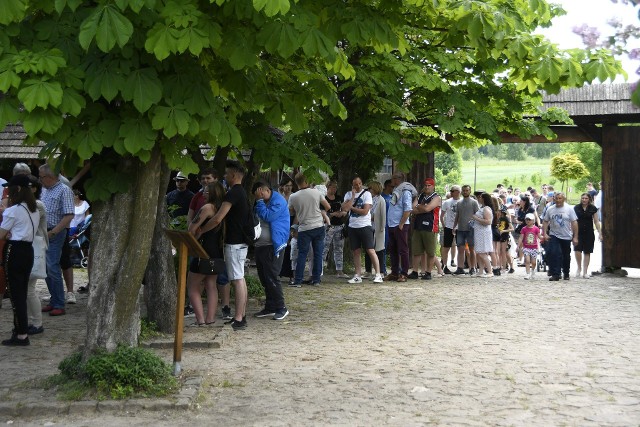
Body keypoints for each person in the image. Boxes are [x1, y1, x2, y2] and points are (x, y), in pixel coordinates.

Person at [197, 160, 250, 330]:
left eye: (227, 174)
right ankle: (242, 315)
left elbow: (218, 217)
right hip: (239, 242)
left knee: (237, 279)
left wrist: (202, 229)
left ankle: (239, 317)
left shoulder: (233, 193)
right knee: (239, 278)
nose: (225, 177)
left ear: (234, 175)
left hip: (234, 243)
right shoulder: (241, 192)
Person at [186, 168, 231, 320]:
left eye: (206, 191)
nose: (203, 192)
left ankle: (200, 319)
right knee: (211, 285)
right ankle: (210, 318)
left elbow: (192, 228)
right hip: (216, 250)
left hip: (202, 250)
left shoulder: (206, 208)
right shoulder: (222, 209)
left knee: (193, 286)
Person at [0, 175, 40, 346]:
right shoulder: (34, 209)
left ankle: (21, 333)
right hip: (28, 250)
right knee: (21, 291)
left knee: (16, 294)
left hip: (14, 250)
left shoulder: (13, 210)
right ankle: (20, 329)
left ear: (17, 189)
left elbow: (1, 234)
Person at [252, 181, 290, 320]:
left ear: (262, 190)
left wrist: (260, 201)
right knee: (264, 278)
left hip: (273, 245)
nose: (257, 197)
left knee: (272, 276)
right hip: (260, 245)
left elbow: (268, 216)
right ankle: (270, 307)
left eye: (258, 194)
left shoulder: (278, 201)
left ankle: (281, 307)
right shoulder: (262, 201)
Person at [39, 164, 74, 316]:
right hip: (43, 232)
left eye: (41, 177)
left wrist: (54, 231)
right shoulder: (45, 189)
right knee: (46, 268)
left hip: (55, 233)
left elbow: (69, 215)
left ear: (49, 177)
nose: (39, 180)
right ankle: (54, 300)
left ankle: (59, 303)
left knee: (52, 266)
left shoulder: (64, 190)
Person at [288, 173, 330, 287]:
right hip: (318, 226)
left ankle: (298, 281)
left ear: (297, 183)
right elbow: (328, 207)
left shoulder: (293, 197)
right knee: (318, 254)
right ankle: (316, 280)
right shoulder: (316, 192)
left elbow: (291, 211)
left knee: (302, 254)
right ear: (307, 180)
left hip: (304, 228)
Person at [342, 176, 383, 284]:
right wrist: (352, 197)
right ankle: (357, 275)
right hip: (352, 226)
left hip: (365, 226)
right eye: (356, 184)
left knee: (370, 250)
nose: (358, 186)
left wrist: (352, 208)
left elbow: (365, 211)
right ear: (352, 185)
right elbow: (344, 209)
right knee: (356, 251)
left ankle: (378, 274)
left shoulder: (367, 194)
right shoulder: (348, 194)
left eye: (360, 183)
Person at [25, 175, 48, 335]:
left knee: (29, 289)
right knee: (26, 289)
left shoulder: (37, 204)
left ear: (34, 188)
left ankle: (37, 323)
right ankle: (30, 321)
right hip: (29, 247)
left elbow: (27, 221)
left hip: (35, 248)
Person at [385, 172, 417, 282]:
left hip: (400, 225)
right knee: (393, 249)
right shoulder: (396, 190)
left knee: (403, 249)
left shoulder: (405, 191)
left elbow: (407, 209)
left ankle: (404, 273)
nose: (391, 180)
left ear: (398, 179)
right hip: (392, 224)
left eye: (393, 178)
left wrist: (401, 224)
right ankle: (394, 272)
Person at [541, 192, 579, 281]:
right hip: (554, 235)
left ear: (563, 199)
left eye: (560, 198)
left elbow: (574, 222)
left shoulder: (569, 209)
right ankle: (556, 274)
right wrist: (545, 233)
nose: (558, 200)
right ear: (553, 199)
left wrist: (575, 236)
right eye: (556, 198)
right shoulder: (550, 209)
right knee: (554, 253)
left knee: (565, 255)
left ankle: (566, 272)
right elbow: (545, 221)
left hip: (566, 236)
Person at [409, 178, 441, 280]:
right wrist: (422, 207)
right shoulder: (421, 196)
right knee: (417, 250)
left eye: (429, 185)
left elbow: (428, 208)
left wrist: (419, 207)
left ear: (433, 186)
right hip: (418, 226)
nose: (427, 187)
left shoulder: (436, 197)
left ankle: (428, 272)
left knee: (430, 251)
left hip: (430, 227)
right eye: (426, 185)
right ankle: (414, 271)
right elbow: (413, 209)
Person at [322, 181, 348, 279]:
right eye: (333, 187)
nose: (334, 189)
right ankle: (319, 270)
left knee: (339, 249)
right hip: (328, 226)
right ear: (328, 187)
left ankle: (339, 270)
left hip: (339, 226)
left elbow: (344, 209)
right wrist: (332, 214)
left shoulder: (339, 198)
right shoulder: (324, 198)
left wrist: (343, 213)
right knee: (324, 248)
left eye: (335, 187)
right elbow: (322, 212)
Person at [574, 192, 602, 279]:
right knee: (577, 250)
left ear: (589, 199)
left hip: (589, 232)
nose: (584, 200)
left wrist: (600, 232)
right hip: (578, 232)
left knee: (587, 251)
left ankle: (585, 271)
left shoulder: (593, 208)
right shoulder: (576, 208)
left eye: (586, 198)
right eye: (583, 198)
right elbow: (573, 220)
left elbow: (596, 221)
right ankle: (579, 267)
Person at [452, 185, 479, 275]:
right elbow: (457, 215)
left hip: (471, 229)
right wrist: (454, 226)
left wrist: (475, 224)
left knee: (471, 249)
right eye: (463, 190)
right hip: (461, 228)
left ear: (469, 191)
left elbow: (478, 215)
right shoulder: (459, 203)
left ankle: (472, 267)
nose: (465, 192)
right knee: (460, 249)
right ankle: (460, 267)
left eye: (467, 190)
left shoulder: (474, 202)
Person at [364, 181, 386, 278]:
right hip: (368, 227)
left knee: (379, 250)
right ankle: (368, 271)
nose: (369, 190)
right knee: (368, 249)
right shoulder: (368, 199)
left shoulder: (381, 200)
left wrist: (382, 227)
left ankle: (381, 271)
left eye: (370, 188)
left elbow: (383, 215)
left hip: (377, 228)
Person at [470, 193, 494, 277]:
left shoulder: (486, 209)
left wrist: (475, 218)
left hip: (483, 233)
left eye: (480, 197)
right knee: (479, 252)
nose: (479, 198)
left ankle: (490, 271)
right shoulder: (482, 208)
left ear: (483, 199)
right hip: (479, 232)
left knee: (482, 253)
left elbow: (488, 221)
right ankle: (480, 271)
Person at [440, 185, 461, 274]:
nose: (451, 192)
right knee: (446, 247)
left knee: (460, 247)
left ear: (458, 192)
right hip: (449, 226)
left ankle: (460, 266)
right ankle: (444, 265)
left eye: (453, 191)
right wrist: (444, 226)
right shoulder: (447, 202)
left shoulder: (462, 202)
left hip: (460, 227)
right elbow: (442, 215)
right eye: (451, 191)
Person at [278, 176, 295, 284]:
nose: (288, 188)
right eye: (286, 186)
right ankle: (280, 271)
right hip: (281, 222)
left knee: (290, 248)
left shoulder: (293, 196)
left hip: (291, 220)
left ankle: (291, 274)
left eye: (290, 186)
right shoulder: (280, 196)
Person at [518, 213, 541, 280]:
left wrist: (544, 237)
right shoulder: (524, 229)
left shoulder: (536, 229)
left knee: (533, 262)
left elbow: (539, 236)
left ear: (533, 221)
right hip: (526, 247)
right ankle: (527, 273)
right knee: (527, 261)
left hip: (534, 248)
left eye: (529, 220)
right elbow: (521, 238)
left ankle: (533, 271)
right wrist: (518, 246)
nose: (528, 221)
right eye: (527, 219)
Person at [497, 205, 514, 273]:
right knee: (500, 252)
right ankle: (501, 266)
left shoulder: (506, 218)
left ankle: (505, 267)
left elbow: (512, 228)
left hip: (505, 236)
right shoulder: (499, 218)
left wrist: (503, 231)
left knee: (504, 252)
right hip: (499, 236)